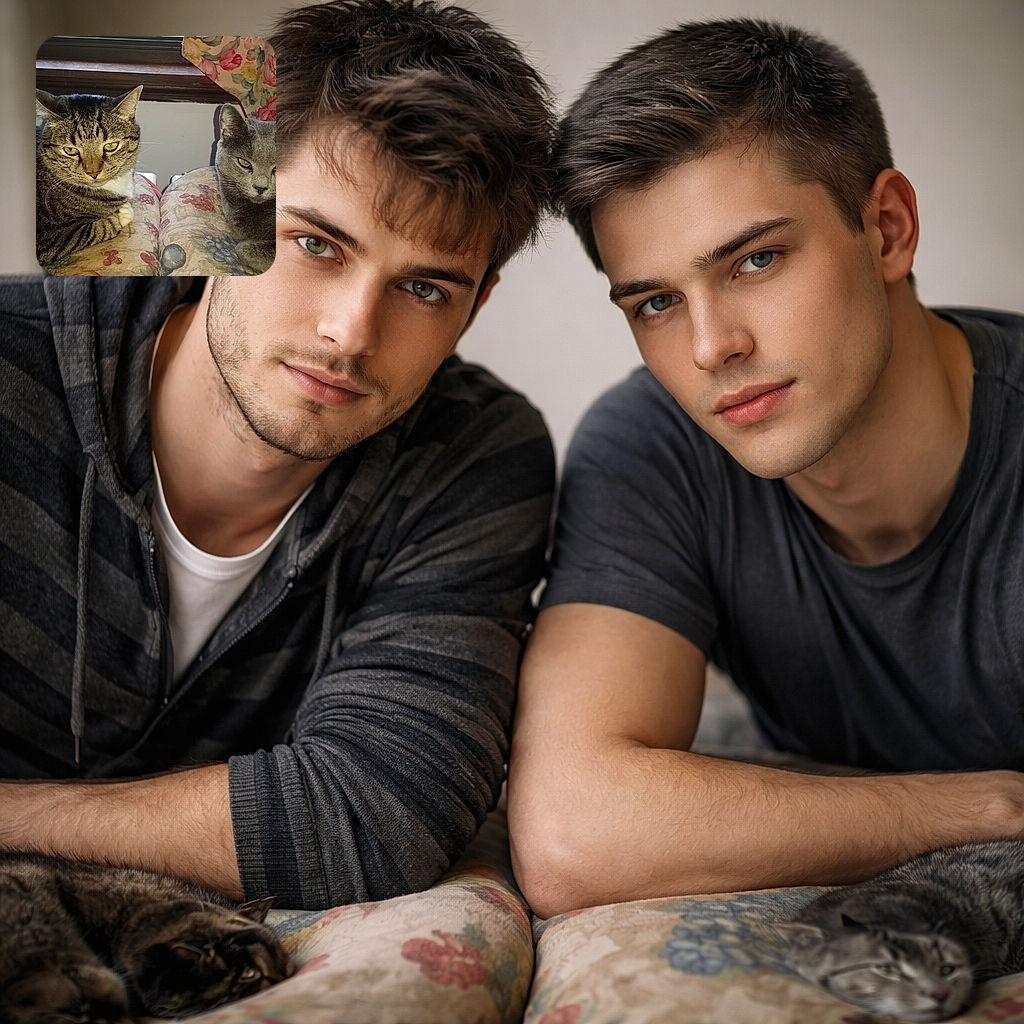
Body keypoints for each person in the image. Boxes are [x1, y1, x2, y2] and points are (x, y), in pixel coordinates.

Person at [0, 0, 556, 912]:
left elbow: (377, 816)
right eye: (314, 244)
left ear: (476, 306)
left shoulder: (475, 453)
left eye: (424, 287)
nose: (350, 334)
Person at [507, 17, 1024, 919]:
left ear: (890, 228)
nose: (711, 348)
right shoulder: (655, 446)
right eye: (657, 302)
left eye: (756, 260)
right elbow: (571, 834)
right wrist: (988, 807)